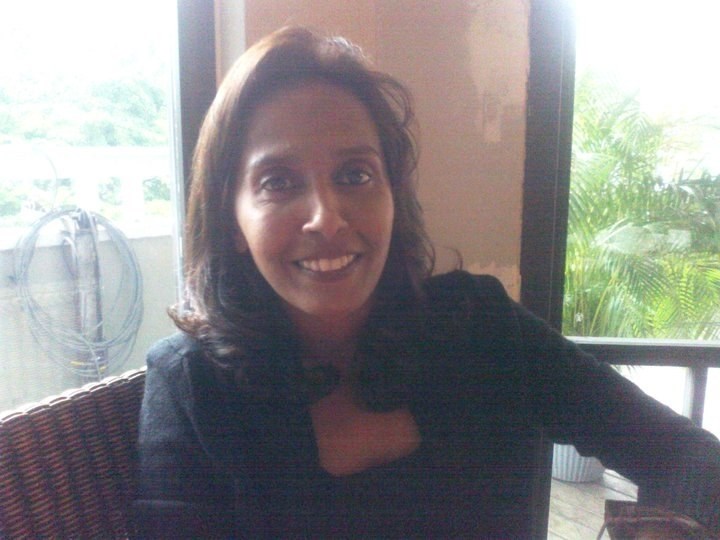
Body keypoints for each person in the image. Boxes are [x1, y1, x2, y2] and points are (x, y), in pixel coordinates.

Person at [133, 26, 720, 538]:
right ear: (232, 221)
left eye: (355, 174)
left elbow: (688, 457)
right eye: (278, 182)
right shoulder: (192, 388)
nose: (327, 218)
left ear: (393, 195)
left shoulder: (483, 327)